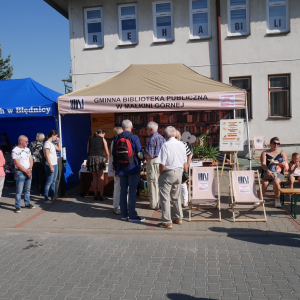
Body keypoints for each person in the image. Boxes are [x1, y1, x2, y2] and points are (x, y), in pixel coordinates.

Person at [112, 119, 145, 222]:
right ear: (131, 127)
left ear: (122, 127)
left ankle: (123, 215)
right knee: (132, 192)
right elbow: (139, 153)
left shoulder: (117, 137)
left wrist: (116, 168)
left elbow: (114, 155)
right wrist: (143, 160)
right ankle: (132, 216)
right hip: (133, 168)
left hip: (121, 169)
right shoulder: (134, 137)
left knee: (123, 191)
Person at [156, 126, 188, 229]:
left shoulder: (165, 145)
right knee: (176, 196)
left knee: (165, 198)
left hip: (168, 172)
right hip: (179, 172)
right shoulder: (182, 144)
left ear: (165, 135)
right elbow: (185, 162)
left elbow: (162, 164)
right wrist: (185, 173)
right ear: (174, 134)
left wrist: (161, 173)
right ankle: (178, 218)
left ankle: (166, 221)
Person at [259, 137, 288, 208]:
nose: (276, 145)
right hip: (267, 172)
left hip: (278, 173)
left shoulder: (282, 152)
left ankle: (277, 200)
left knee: (275, 182)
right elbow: (263, 164)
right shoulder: (264, 153)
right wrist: (268, 171)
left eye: (278, 143)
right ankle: (258, 198)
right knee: (265, 183)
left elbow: (285, 163)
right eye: (274, 143)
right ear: (270, 144)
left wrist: (277, 163)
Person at [11, 135, 36, 213]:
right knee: (19, 190)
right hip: (20, 172)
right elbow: (17, 163)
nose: (28, 143)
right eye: (26, 141)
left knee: (27, 189)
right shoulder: (15, 151)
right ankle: (17, 206)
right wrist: (26, 171)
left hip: (28, 171)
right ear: (21, 141)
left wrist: (30, 169)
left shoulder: (27, 149)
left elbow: (31, 160)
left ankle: (27, 203)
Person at [145, 121, 166, 210]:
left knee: (153, 183)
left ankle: (153, 204)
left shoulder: (152, 139)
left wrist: (144, 154)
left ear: (151, 129)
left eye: (147, 130)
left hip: (153, 162)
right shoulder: (163, 138)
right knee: (161, 183)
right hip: (161, 163)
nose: (146, 131)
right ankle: (161, 204)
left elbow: (150, 155)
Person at [87, 129, 109, 201]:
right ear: (101, 133)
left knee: (94, 177)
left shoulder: (90, 139)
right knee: (101, 177)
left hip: (91, 158)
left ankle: (96, 195)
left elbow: (87, 151)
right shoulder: (102, 139)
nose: (104, 136)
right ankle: (102, 196)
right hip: (99, 158)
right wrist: (107, 160)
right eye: (104, 134)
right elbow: (107, 152)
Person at [176, 130, 192, 208]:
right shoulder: (169, 144)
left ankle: (185, 201)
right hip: (173, 166)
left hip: (182, 166)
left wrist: (188, 162)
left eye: (176, 137)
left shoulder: (183, 144)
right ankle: (176, 201)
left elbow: (189, 154)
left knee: (183, 184)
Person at [44, 130, 61, 204]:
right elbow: (47, 156)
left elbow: (59, 149)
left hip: (55, 164)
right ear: (52, 135)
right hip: (50, 165)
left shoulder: (51, 144)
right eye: (56, 136)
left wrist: (58, 141)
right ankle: (46, 198)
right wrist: (50, 166)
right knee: (49, 182)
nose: (56, 137)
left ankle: (53, 196)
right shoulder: (47, 144)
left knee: (53, 181)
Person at [111, 127, 123, 214]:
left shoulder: (113, 141)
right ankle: (123, 206)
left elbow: (112, 156)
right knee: (124, 188)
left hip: (116, 167)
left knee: (117, 187)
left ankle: (116, 207)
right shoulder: (122, 140)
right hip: (123, 167)